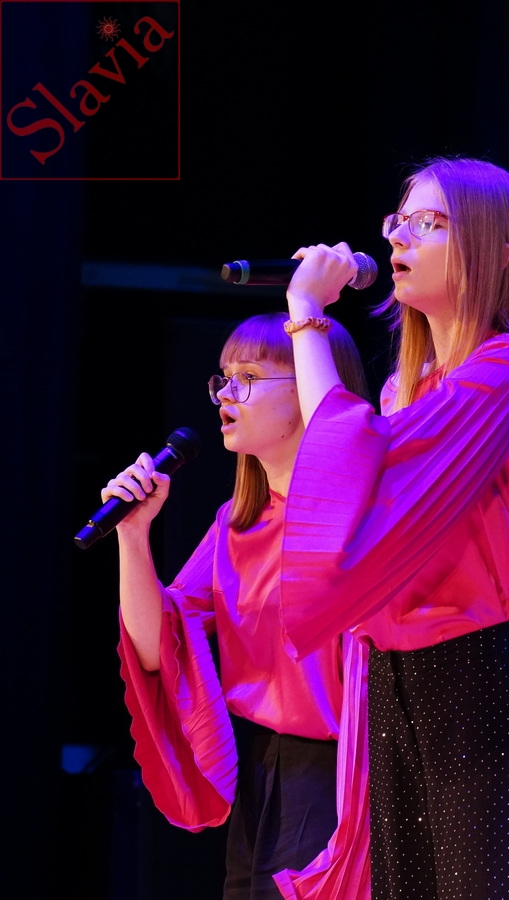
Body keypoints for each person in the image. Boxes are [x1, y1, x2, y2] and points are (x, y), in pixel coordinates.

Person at [272, 157, 509, 899]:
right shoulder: (404, 392)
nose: (400, 238)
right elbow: (350, 485)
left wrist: (308, 317)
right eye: (398, 222)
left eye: (429, 223)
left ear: (498, 250)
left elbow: (350, 466)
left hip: (480, 692)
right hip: (394, 692)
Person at [108, 312, 369, 900]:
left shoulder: (356, 514)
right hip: (260, 768)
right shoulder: (237, 522)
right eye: (223, 378)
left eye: (248, 377)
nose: (226, 394)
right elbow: (157, 646)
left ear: (310, 387)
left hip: (338, 773)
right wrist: (132, 534)